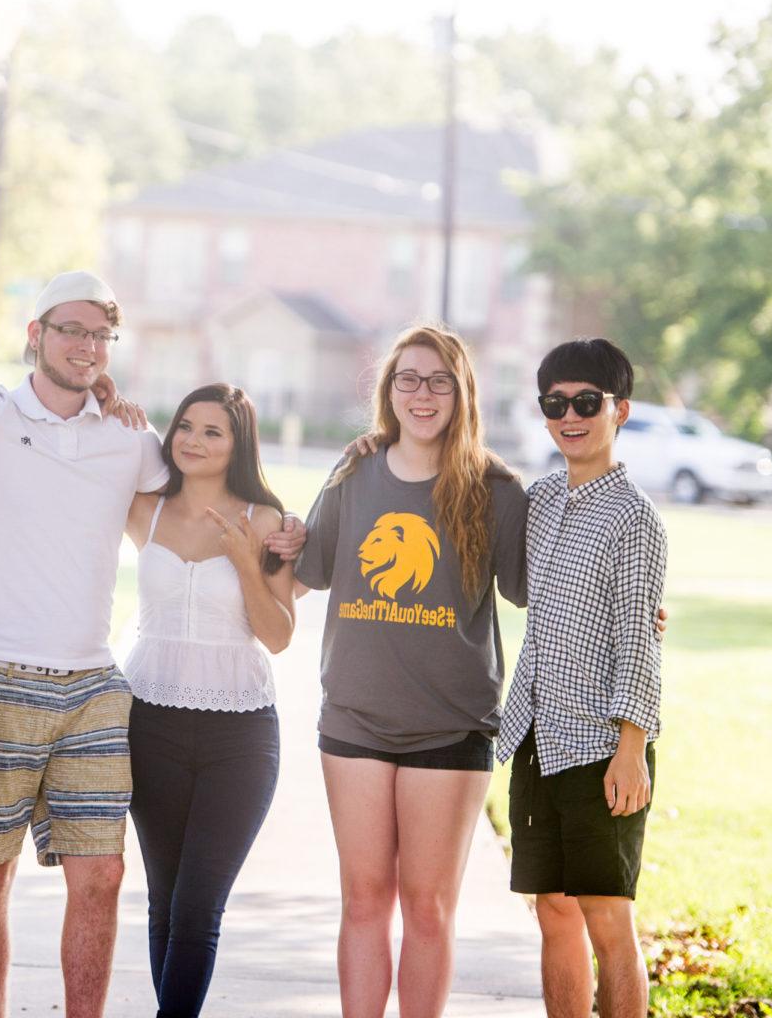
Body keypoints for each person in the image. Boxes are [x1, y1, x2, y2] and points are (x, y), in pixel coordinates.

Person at [0, 271, 305, 1018]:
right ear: (35, 335)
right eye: (71, 330)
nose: (85, 346)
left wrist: (282, 530)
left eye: (99, 335)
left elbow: (197, 494)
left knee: (102, 876)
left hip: (94, 685)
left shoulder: (130, 439)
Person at [293, 323, 528, 1018]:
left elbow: (539, 588)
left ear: (462, 393)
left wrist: (637, 608)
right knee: (363, 900)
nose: (422, 394)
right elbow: (303, 566)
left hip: (450, 727)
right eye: (408, 379)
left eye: (438, 381)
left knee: (427, 908)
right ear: (388, 391)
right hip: (355, 718)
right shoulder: (354, 471)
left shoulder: (493, 486)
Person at [496, 338, 667, 1018]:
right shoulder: (537, 501)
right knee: (553, 914)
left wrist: (633, 748)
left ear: (619, 410)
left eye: (586, 403)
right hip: (540, 738)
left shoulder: (635, 519)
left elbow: (638, 642)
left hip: (604, 748)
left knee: (607, 919)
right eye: (555, 404)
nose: (570, 416)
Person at [122, 383, 295, 1018]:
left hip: (240, 734)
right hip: (149, 719)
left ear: (237, 445)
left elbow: (277, 637)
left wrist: (245, 561)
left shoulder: (267, 520)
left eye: (212, 431)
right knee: (164, 902)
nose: (193, 440)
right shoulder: (144, 509)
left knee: (198, 908)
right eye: (185, 426)